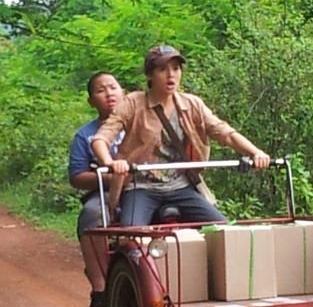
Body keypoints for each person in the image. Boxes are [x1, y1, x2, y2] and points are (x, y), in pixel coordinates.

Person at [91, 45, 270, 226]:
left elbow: (224, 132)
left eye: (176, 69)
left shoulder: (191, 104)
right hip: (141, 187)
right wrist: (111, 163)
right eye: (162, 69)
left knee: (221, 228)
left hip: (180, 186)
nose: (171, 75)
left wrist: (256, 153)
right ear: (150, 75)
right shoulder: (133, 103)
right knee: (130, 234)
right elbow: (101, 139)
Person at [69, 71, 125, 307]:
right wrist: (110, 178)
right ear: (91, 101)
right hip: (102, 194)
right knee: (91, 216)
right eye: (101, 90)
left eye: (113, 87)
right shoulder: (85, 135)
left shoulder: (142, 122)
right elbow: (77, 176)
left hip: (147, 190)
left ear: (123, 92)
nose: (109, 93)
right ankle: (100, 289)